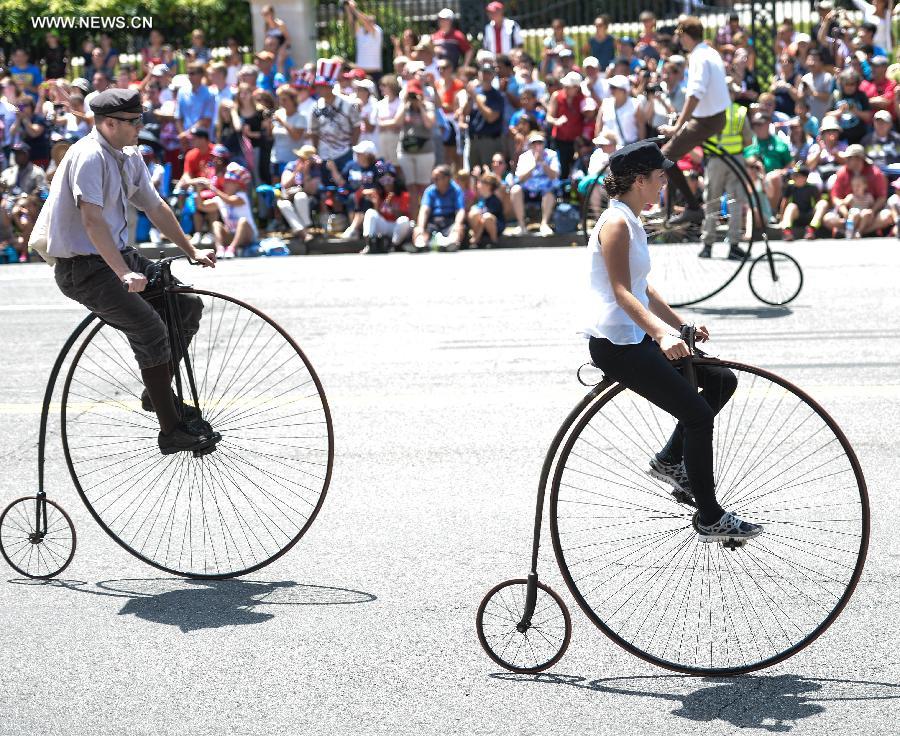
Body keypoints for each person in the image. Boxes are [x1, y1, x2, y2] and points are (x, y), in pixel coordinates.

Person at [581, 139, 761, 543]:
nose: (665, 182)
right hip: (617, 345)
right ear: (639, 180)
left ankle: (669, 460)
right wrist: (660, 334)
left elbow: (643, 288)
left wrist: (680, 327)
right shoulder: (615, 223)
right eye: (660, 176)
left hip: (636, 336)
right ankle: (710, 515)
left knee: (720, 380)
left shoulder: (630, 219)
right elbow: (622, 291)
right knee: (697, 414)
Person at [42, 88, 217, 455]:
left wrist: (191, 249)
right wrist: (123, 273)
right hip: (84, 268)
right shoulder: (89, 156)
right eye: (134, 121)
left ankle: (156, 394)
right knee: (150, 328)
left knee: (186, 307)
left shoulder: (128, 155)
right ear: (109, 123)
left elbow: (154, 207)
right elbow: (92, 221)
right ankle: (171, 430)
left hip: (118, 255)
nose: (141, 126)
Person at [658, 17, 731, 225]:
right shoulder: (709, 52)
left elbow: (695, 93)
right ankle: (670, 208)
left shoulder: (699, 56)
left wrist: (677, 126)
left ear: (685, 35)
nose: (679, 41)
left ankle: (691, 207)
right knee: (671, 153)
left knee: (665, 155)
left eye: (680, 36)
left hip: (706, 120)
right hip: (714, 116)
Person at [702, 98, 752, 259]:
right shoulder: (739, 111)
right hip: (735, 160)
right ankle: (734, 246)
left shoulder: (709, 108)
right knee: (735, 203)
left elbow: (701, 136)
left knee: (712, 202)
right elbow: (748, 140)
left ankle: (707, 246)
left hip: (715, 159)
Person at [822, 144, 892, 235]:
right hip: (849, 216)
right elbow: (836, 197)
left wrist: (872, 211)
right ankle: (854, 230)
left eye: (849, 158)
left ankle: (858, 231)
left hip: (869, 215)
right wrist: (845, 212)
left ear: (858, 159)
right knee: (828, 219)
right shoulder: (842, 172)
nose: (845, 161)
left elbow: (882, 197)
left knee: (887, 216)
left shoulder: (875, 173)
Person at [391, 79, 436, 219]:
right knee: (411, 188)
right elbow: (396, 122)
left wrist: (420, 106)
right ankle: (414, 219)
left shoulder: (428, 105)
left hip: (425, 151)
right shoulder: (404, 106)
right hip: (406, 151)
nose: (413, 97)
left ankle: (424, 220)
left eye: (415, 94)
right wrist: (405, 104)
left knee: (423, 187)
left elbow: (429, 124)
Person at [196, 162, 258, 257]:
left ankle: (231, 249)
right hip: (231, 234)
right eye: (226, 182)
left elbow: (229, 200)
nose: (226, 185)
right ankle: (220, 249)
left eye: (230, 183)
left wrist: (212, 188)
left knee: (243, 221)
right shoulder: (220, 199)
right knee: (216, 224)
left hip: (248, 235)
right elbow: (201, 206)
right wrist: (198, 190)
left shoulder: (241, 196)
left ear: (238, 185)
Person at [509, 131, 559, 237]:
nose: (537, 146)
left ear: (543, 144)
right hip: (528, 188)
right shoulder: (524, 157)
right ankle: (522, 226)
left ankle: (544, 224)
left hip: (545, 189)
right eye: (534, 143)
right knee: (515, 190)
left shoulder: (551, 155)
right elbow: (520, 178)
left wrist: (543, 164)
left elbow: (555, 175)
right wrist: (534, 165)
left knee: (549, 191)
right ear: (530, 145)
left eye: (540, 143)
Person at [744, 112, 793, 212]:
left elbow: (790, 164)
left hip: (774, 178)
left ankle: (771, 211)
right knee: (750, 173)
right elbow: (745, 159)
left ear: (768, 124)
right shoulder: (750, 142)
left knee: (773, 177)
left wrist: (781, 171)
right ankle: (751, 211)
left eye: (760, 124)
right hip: (756, 176)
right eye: (755, 124)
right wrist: (753, 162)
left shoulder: (779, 143)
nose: (757, 127)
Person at [411, 164, 465, 252]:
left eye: (437, 178)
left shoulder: (456, 190)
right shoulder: (429, 191)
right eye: (433, 179)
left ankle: (451, 244)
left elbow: (460, 210)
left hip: (450, 220)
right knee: (419, 230)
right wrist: (420, 226)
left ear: (446, 178)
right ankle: (420, 245)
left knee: (458, 229)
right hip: (433, 221)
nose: (434, 181)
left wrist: (457, 223)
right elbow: (424, 210)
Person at [277, 144, 322, 241]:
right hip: (288, 196)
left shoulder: (315, 170)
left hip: (307, 197)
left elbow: (310, 190)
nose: (301, 160)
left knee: (300, 197)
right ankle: (304, 232)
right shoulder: (291, 165)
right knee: (283, 204)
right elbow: (285, 185)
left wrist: (305, 173)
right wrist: (296, 172)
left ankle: (303, 231)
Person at [464, 63, 504, 171]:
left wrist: (475, 97)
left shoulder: (497, 96)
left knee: (488, 173)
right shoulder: (475, 92)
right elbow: (465, 113)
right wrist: (470, 98)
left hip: (489, 141)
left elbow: (491, 117)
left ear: (492, 76)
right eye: (483, 73)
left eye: (488, 73)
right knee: (473, 173)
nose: (485, 76)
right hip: (473, 140)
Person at [778, 166, 827, 240]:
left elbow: (818, 202)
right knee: (791, 206)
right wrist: (781, 220)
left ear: (805, 177)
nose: (793, 177)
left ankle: (811, 229)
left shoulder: (812, 187)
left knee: (823, 203)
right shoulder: (790, 187)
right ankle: (787, 231)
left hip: (809, 215)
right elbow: (784, 203)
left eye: (797, 176)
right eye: (793, 175)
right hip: (797, 215)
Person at [344, 0, 383, 79]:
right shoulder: (361, 32)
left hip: (374, 72)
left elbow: (364, 21)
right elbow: (352, 23)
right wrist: (348, 9)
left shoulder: (377, 31)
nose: (368, 22)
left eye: (371, 21)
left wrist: (353, 8)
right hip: (361, 72)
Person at [467, 171, 505, 248]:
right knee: (473, 212)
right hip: (482, 226)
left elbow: (486, 217)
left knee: (486, 217)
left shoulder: (495, 200)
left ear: (488, 186)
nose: (477, 186)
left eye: (480, 183)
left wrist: (475, 236)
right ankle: (478, 240)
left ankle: (493, 241)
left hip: (495, 226)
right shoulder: (481, 199)